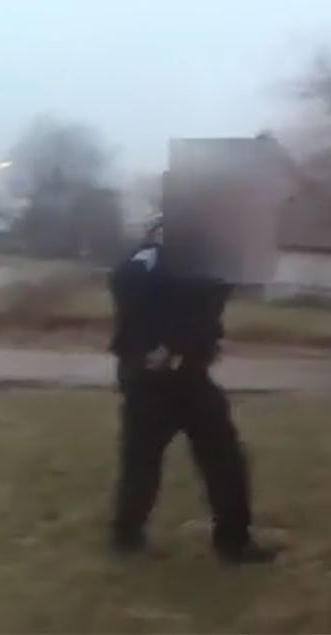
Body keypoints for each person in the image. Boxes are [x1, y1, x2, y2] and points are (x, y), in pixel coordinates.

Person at [107, 219, 276, 564]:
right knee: (141, 461)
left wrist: (175, 345)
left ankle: (234, 542)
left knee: (224, 458)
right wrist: (149, 348)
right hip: (151, 381)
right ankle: (126, 535)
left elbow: (205, 314)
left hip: (190, 377)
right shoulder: (146, 261)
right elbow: (126, 288)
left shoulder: (207, 265)